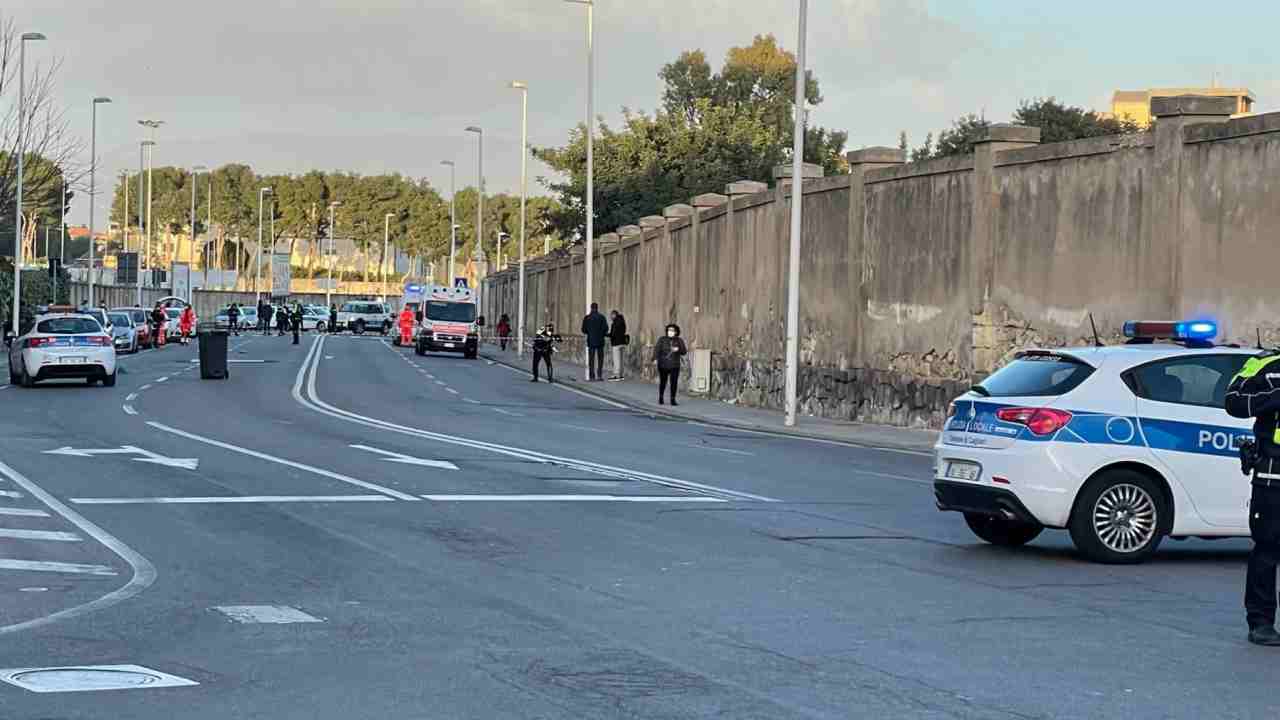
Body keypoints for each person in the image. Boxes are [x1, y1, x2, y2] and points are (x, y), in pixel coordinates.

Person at [1226, 352, 1280, 646]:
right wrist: (1274, 397)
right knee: (1267, 551)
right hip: (1273, 477)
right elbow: (1233, 401)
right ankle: (1261, 623)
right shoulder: (1265, 365)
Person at [654, 323, 687, 406]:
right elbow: (657, 349)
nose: (670, 332)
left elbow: (684, 352)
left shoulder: (679, 340)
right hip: (663, 364)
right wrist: (655, 358)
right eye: (669, 330)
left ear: (676, 332)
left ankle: (673, 399)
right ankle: (661, 397)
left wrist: (678, 349)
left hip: (674, 365)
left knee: (674, 382)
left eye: (672, 330)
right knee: (663, 381)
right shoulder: (662, 339)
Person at [581, 302, 609, 381]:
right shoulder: (602, 317)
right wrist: (601, 334)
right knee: (600, 359)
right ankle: (599, 375)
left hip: (591, 341)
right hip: (600, 341)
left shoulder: (587, 318)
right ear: (597, 308)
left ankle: (592, 376)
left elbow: (583, 330)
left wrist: (589, 332)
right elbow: (606, 329)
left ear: (591, 308)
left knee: (591, 359)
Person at [608, 310, 628, 381]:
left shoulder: (615, 323)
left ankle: (616, 375)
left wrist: (607, 335)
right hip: (622, 342)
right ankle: (621, 375)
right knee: (621, 359)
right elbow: (624, 331)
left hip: (616, 343)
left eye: (611, 315)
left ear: (614, 315)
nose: (610, 317)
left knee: (616, 360)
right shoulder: (622, 321)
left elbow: (613, 334)